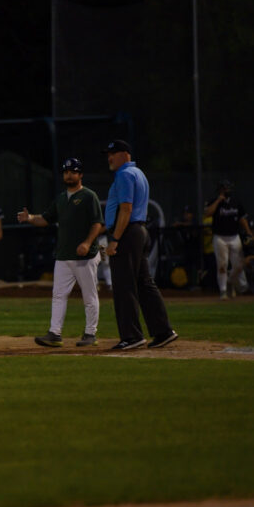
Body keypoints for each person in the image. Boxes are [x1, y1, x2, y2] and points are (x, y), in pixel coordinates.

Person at [17, 157, 104, 347]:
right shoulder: (61, 198)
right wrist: (30, 217)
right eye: (66, 172)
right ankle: (54, 334)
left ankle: (90, 334)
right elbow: (46, 219)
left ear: (80, 175)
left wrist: (88, 243)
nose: (69, 175)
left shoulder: (89, 196)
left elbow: (98, 223)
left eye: (73, 171)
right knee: (58, 295)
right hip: (64, 255)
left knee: (89, 296)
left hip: (85, 257)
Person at [102, 140, 177, 350]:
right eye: (108, 153)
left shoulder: (124, 175)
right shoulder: (138, 173)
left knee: (124, 286)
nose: (109, 157)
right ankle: (163, 331)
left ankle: (132, 336)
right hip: (139, 231)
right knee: (145, 283)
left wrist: (115, 239)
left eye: (113, 153)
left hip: (127, 233)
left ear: (125, 154)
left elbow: (126, 209)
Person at [203, 180, 254, 299]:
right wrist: (218, 200)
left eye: (228, 188)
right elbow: (207, 213)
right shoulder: (214, 201)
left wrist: (249, 233)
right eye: (225, 188)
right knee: (222, 264)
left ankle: (230, 282)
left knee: (238, 265)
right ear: (220, 190)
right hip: (220, 237)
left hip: (234, 236)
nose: (227, 190)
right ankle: (223, 290)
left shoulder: (236, 201)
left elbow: (242, 219)